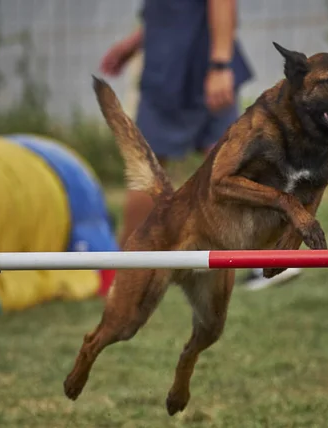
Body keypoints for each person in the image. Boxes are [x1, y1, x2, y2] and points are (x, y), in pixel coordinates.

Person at [99, 0, 301, 290]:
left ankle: (121, 272)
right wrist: (134, 44)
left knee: (152, 165)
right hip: (181, 63)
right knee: (228, 161)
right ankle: (268, 257)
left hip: (186, 67)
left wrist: (220, 64)